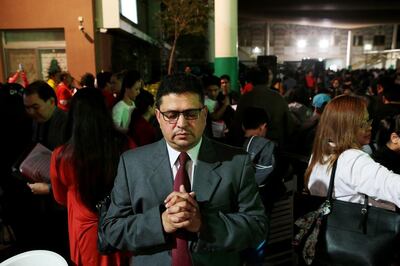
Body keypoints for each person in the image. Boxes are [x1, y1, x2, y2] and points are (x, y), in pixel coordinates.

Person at [102, 73, 267, 266]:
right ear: (158, 116)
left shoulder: (235, 163)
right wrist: (161, 223)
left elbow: (257, 225)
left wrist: (203, 224)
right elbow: (112, 229)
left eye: (190, 114)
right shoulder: (132, 164)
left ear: (204, 114)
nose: (181, 124)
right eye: (171, 115)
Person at [50, 88, 134, 266]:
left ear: (73, 116)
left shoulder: (61, 156)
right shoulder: (125, 145)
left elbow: (60, 198)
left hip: (84, 227)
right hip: (121, 222)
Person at [305, 95, 400, 210]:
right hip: (360, 226)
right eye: (362, 123)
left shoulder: (320, 154)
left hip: (329, 225)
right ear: (346, 128)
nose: (369, 127)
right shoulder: (353, 159)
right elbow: (395, 188)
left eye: (368, 120)